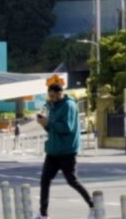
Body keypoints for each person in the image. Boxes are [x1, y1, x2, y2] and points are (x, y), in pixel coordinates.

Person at [39, 76, 95, 214]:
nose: (51, 99)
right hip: (53, 150)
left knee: (72, 181)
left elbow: (67, 127)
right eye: (50, 96)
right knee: (44, 181)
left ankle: (93, 205)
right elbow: (52, 128)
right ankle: (43, 214)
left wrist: (49, 123)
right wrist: (44, 124)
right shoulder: (53, 105)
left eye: (53, 96)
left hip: (67, 151)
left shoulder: (69, 105)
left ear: (60, 93)